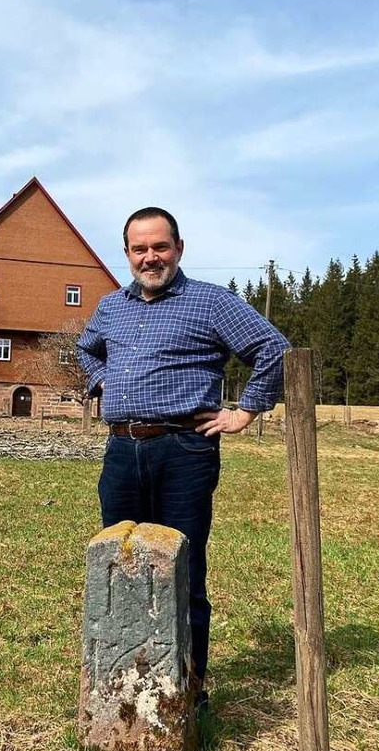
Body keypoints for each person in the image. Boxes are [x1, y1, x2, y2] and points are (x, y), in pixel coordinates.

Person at [77, 207, 290, 705]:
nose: (150, 258)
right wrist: (101, 379)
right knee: (121, 562)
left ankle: (185, 691)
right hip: (121, 451)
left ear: (179, 248)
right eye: (139, 249)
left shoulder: (211, 303)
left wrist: (247, 410)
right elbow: (87, 349)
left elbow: (273, 347)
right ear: (127, 253)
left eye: (159, 247)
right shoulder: (111, 307)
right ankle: (125, 686)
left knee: (182, 570)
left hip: (184, 451)